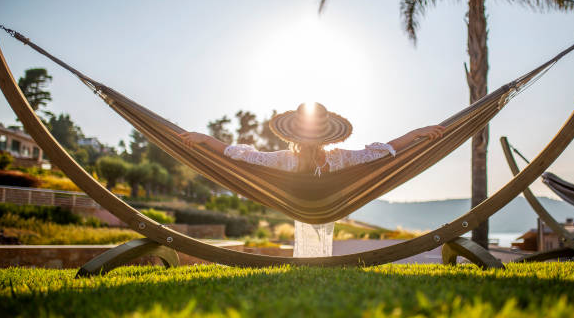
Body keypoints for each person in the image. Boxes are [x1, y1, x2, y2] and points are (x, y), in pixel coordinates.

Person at [179, 102, 445, 257]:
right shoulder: (284, 159)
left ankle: (316, 264)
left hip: (327, 209)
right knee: (309, 246)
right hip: (304, 207)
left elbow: (378, 153)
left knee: (316, 243)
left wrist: (417, 134)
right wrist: (204, 139)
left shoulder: (339, 158)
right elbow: (239, 156)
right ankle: (311, 264)